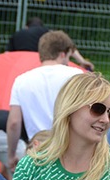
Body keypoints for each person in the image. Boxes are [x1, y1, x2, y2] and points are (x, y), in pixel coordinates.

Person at [6, 30, 84, 172]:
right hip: (69, 148)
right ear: (62, 54)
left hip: (37, 150)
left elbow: (14, 123)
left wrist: (11, 155)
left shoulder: (21, 80)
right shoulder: (77, 76)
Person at [6, 17, 95, 71]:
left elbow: (7, 55)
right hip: (37, 62)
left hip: (19, 63)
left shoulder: (17, 34)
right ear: (41, 26)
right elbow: (67, 45)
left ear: (26, 27)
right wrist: (82, 61)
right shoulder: (46, 32)